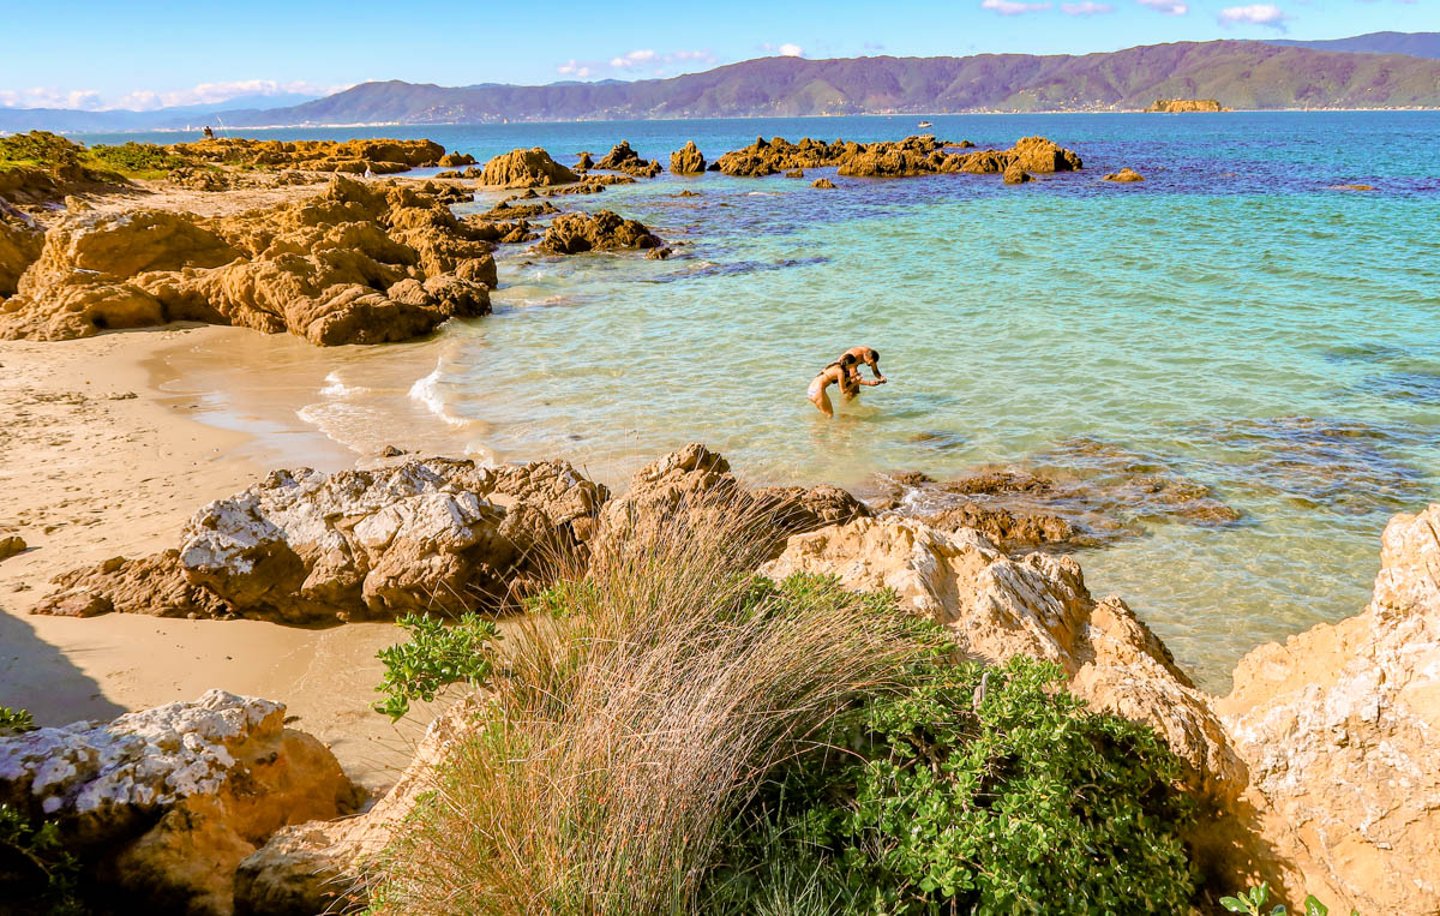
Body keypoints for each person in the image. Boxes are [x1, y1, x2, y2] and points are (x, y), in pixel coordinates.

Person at [807, 353, 859, 418]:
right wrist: (856, 382)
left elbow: (837, 379)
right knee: (830, 415)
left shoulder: (835, 365)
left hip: (811, 390)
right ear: (849, 364)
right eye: (852, 366)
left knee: (825, 415)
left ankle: (823, 427)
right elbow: (843, 391)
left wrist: (852, 377)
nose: (851, 369)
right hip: (818, 391)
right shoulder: (840, 372)